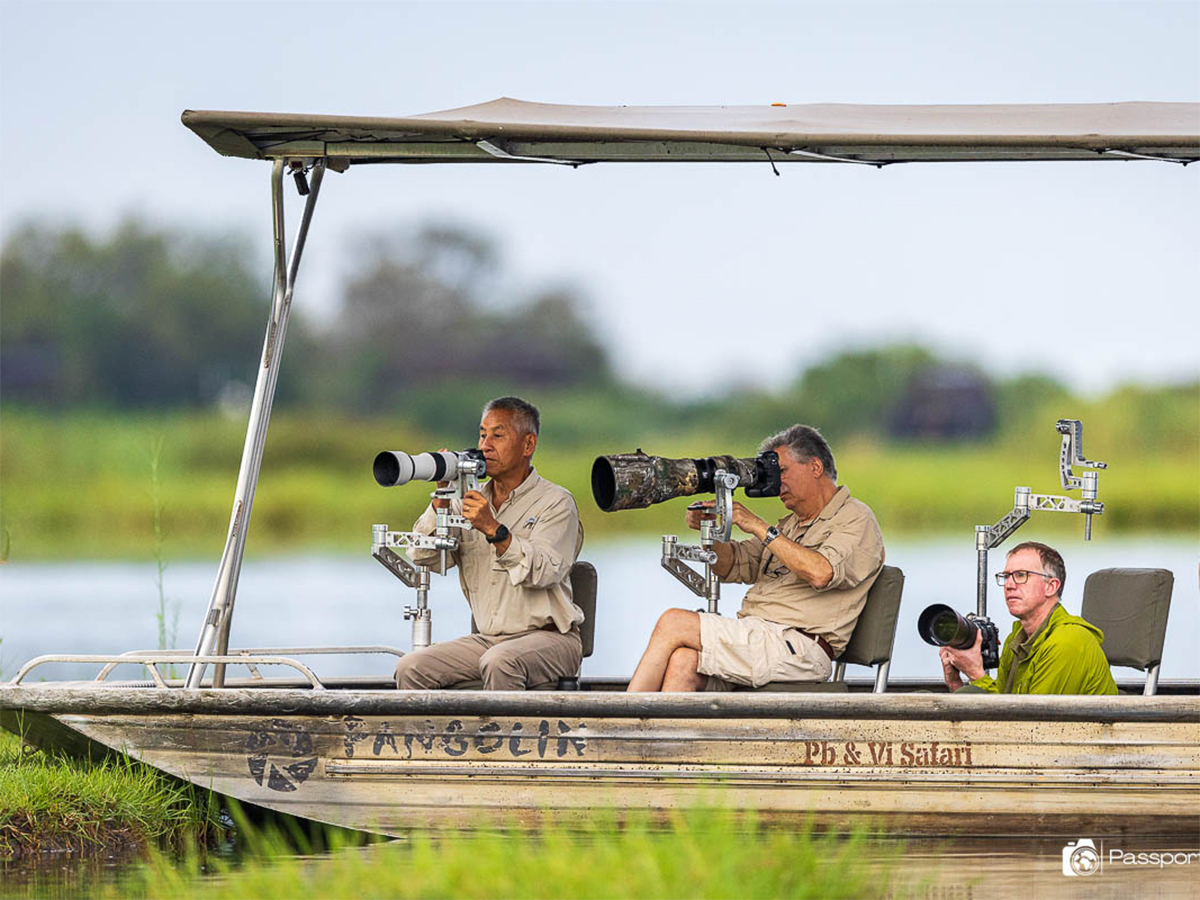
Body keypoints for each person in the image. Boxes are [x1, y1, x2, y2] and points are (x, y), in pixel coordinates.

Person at [627, 424, 885, 692]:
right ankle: (662, 734)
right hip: (761, 638)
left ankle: (620, 721)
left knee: (673, 622)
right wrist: (711, 530)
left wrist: (759, 527)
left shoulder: (855, 518)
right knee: (684, 661)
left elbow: (822, 573)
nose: (777, 483)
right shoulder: (790, 526)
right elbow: (731, 567)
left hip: (800, 647)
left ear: (815, 467)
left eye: (782, 471)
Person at [393, 396, 584, 690]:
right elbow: (422, 556)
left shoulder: (556, 502)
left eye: (498, 435)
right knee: (412, 667)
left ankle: (502, 737)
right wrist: (442, 499)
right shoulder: (468, 499)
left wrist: (492, 528)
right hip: (489, 640)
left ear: (528, 445)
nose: (485, 446)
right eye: (482, 434)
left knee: (499, 661)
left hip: (553, 639)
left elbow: (544, 571)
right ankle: (435, 737)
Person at [940, 541, 1118, 694]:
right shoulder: (1016, 639)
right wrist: (956, 683)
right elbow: (1003, 707)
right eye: (1006, 576)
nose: (1009, 585)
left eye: (1020, 575)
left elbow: (1031, 725)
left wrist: (976, 673)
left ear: (1051, 586)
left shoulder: (1068, 641)